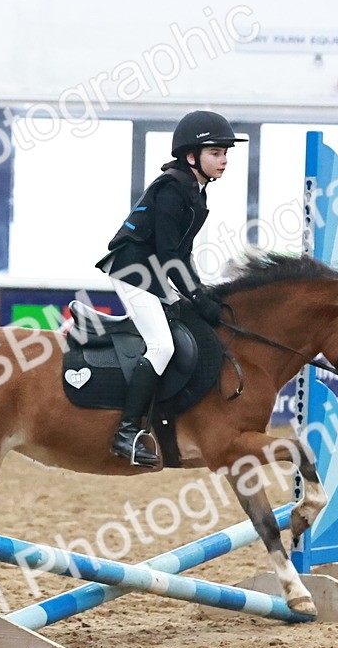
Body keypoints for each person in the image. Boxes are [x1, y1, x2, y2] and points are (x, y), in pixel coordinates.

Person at [94, 110, 247, 467]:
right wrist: (194, 295)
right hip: (132, 270)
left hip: (153, 270)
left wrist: (199, 292)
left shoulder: (195, 192)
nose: (224, 159)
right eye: (215, 152)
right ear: (191, 156)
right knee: (162, 345)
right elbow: (167, 254)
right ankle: (126, 432)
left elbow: (182, 254)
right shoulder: (172, 189)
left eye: (226, 153)